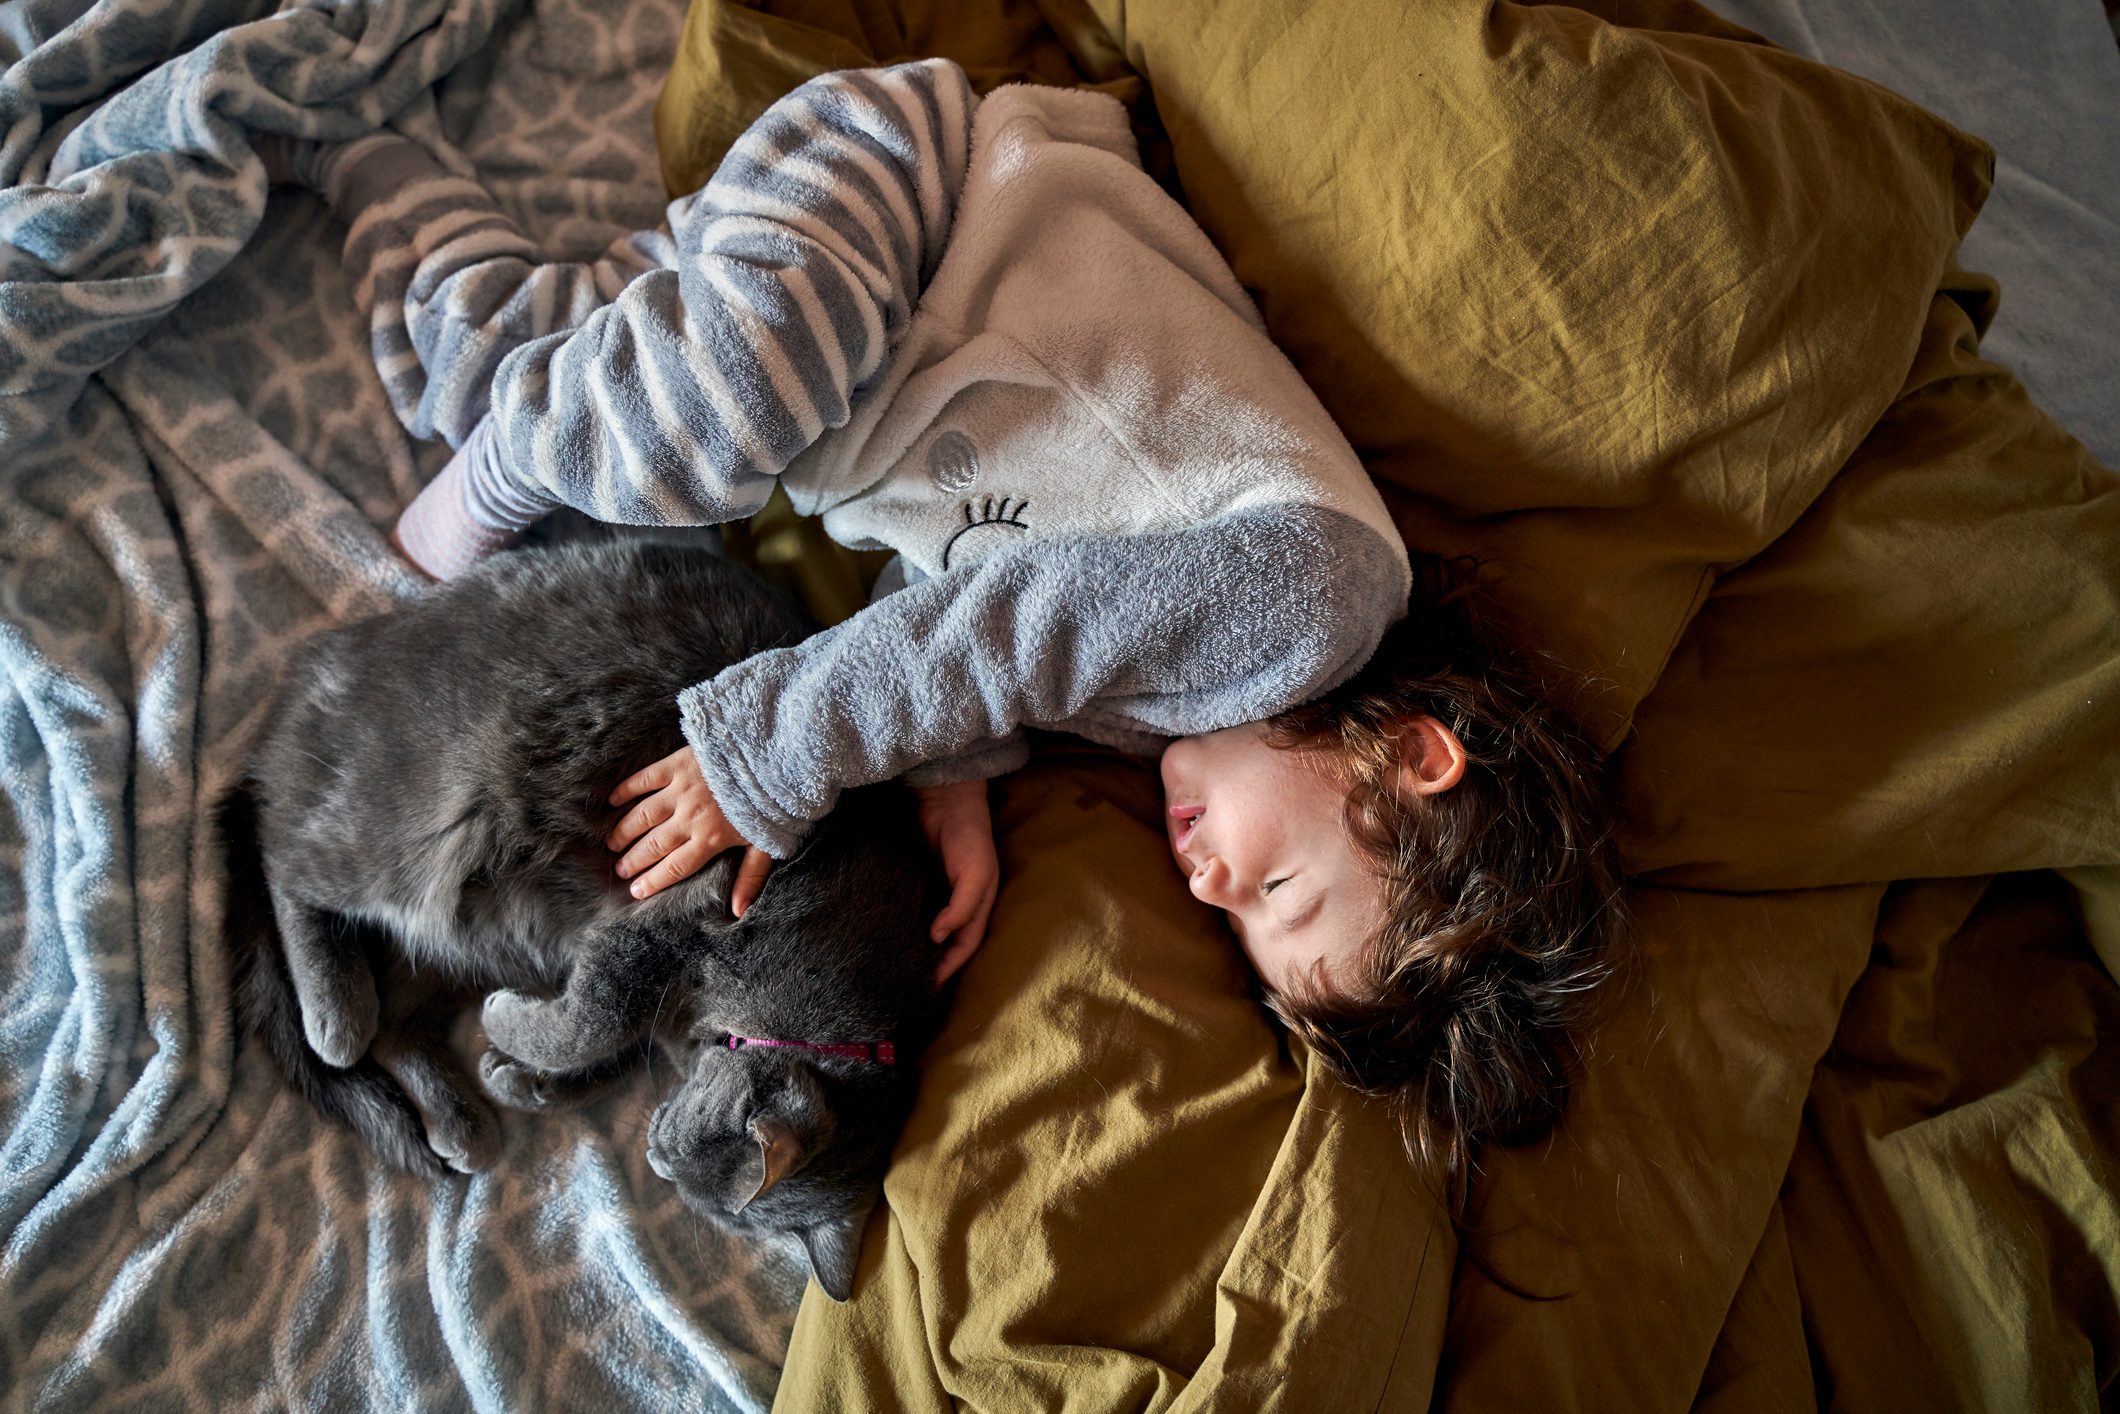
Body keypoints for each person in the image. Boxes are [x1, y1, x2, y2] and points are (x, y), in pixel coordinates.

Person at [265, 56, 1622, 1181]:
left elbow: (985, 563)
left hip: (842, 370)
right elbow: (1016, 623)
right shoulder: (1314, 602)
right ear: (1413, 757)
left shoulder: (1178, 704)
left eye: (1242, 928)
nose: (1209, 888)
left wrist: (956, 773)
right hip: (922, 209)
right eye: (1280, 887)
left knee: (525, 363)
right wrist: (769, 757)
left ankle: (362, 157)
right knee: (685, 417)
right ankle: (502, 466)